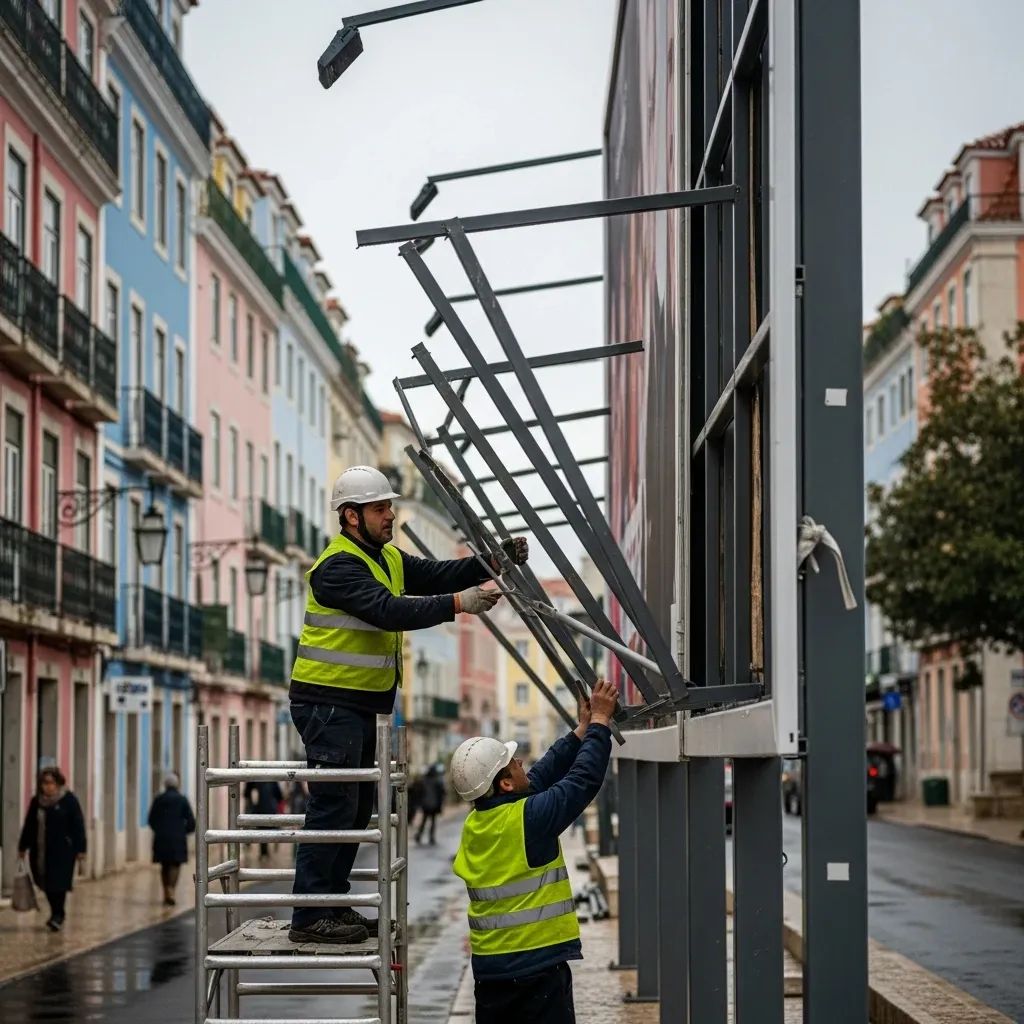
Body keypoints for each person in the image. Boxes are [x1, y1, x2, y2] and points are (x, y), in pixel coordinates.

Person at [288, 464, 529, 945]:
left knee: (354, 811)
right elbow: (387, 610)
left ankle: (331, 905)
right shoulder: (337, 567)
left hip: (357, 706)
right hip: (327, 703)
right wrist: (460, 604)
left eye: (389, 506)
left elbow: (436, 573)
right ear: (351, 517)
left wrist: (493, 560)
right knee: (335, 807)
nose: (390, 515)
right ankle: (309, 914)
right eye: (380, 508)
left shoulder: (386, 558)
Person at [450, 678, 617, 1024]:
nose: (522, 762)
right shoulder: (529, 819)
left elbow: (540, 775)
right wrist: (601, 722)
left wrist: (580, 731)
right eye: (513, 763)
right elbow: (583, 780)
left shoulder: (478, 823)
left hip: (491, 972)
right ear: (506, 784)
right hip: (536, 971)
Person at [18, 766, 87, 932]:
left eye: (50, 783)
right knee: (46, 884)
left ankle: (58, 914)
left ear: (58, 783)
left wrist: (80, 849)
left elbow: (78, 825)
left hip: (63, 851)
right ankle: (55, 912)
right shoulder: (37, 802)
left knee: (59, 884)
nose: (46, 787)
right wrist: (23, 846)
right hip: (40, 851)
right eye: (44, 783)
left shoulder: (69, 800)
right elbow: (29, 825)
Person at [147, 772, 196, 906]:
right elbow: (191, 822)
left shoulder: (159, 799)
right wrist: (183, 831)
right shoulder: (182, 799)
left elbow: (151, 819)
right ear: (177, 784)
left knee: (164, 865)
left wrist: (159, 830)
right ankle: (171, 890)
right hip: (177, 838)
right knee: (175, 864)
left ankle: (166, 891)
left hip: (161, 837)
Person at [246, 779, 284, 860]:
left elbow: (246, 794)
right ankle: (265, 851)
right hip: (269, 810)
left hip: (258, 810)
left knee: (262, 829)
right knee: (266, 829)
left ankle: (263, 852)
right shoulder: (272, 779)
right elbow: (279, 796)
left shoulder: (253, 779)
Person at [415, 764, 445, 846]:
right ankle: (431, 837)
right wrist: (440, 806)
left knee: (424, 821)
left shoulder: (424, 781)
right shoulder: (437, 781)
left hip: (426, 805)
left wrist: (420, 803)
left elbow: (419, 793)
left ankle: (419, 835)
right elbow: (441, 794)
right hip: (434, 805)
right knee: (432, 822)